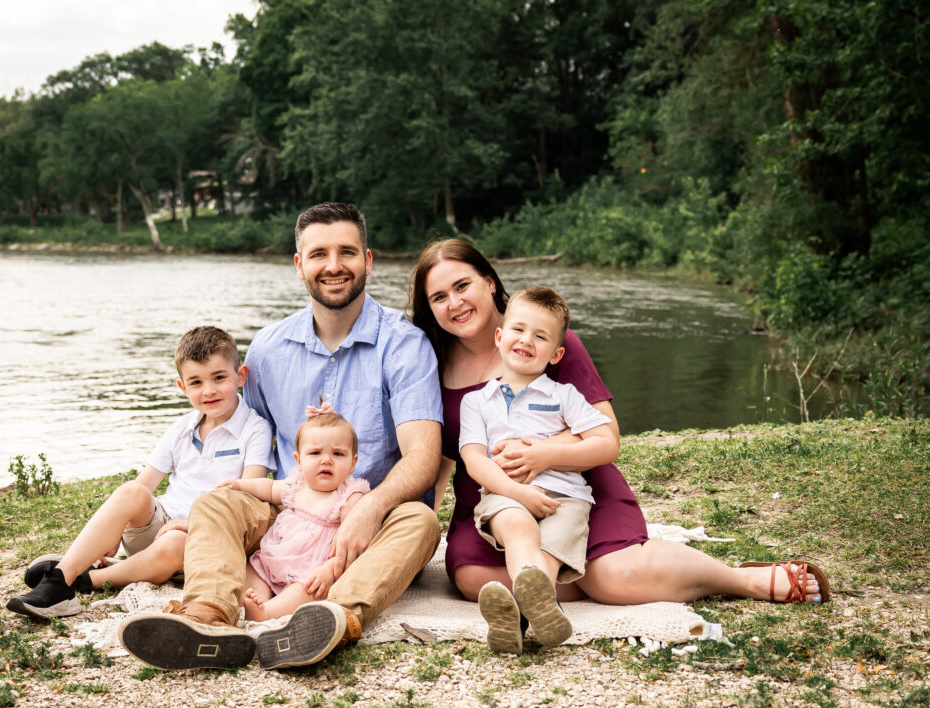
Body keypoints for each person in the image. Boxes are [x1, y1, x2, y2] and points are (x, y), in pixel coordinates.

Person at [408, 239, 830, 621]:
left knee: (616, 575)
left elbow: (607, 436)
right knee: (474, 582)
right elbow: (447, 454)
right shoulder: (430, 363)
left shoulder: (550, 342)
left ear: (488, 281)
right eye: (439, 297)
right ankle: (565, 583)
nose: (455, 303)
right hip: (495, 500)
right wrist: (425, 519)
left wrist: (542, 453)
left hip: (576, 487)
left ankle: (741, 580)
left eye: (462, 286)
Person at [119, 202, 442, 672]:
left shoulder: (404, 344)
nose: (333, 266)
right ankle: (208, 619)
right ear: (299, 265)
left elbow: (422, 458)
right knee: (217, 503)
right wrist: (210, 524)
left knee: (421, 521)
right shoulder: (269, 347)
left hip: (369, 518)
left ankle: (330, 619)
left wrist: (369, 510)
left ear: (367, 260)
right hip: (287, 509)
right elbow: (245, 441)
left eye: (347, 252)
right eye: (319, 254)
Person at [6, 326, 274, 619]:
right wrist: (116, 528)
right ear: (182, 387)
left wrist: (190, 526)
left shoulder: (255, 428)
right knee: (132, 492)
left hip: (208, 535)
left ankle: (83, 580)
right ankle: (65, 573)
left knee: (172, 542)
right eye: (196, 382)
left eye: (219, 378)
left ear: (241, 376)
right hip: (159, 526)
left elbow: (246, 499)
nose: (208, 391)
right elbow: (144, 484)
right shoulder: (182, 427)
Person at [460, 287, 619, 653]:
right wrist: (518, 493)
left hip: (566, 499)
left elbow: (607, 443)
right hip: (505, 494)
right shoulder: (476, 401)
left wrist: (546, 455)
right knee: (517, 528)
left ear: (556, 353)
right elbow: (474, 459)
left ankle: (514, 620)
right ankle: (541, 613)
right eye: (518, 329)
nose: (526, 340)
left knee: (547, 554)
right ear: (499, 337)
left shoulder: (564, 396)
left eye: (540, 336)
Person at [217, 412, 369, 622]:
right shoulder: (297, 484)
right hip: (275, 556)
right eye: (315, 453)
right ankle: (255, 601)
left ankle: (268, 612)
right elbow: (268, 487)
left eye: (338, 454)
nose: (326, 460)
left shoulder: (350, 495)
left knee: (307, 590)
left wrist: (329, 569)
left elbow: (350, 537)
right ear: (298, 460)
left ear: (353, 463)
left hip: (312, 568)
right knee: (254, 568)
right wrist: (241, 485)